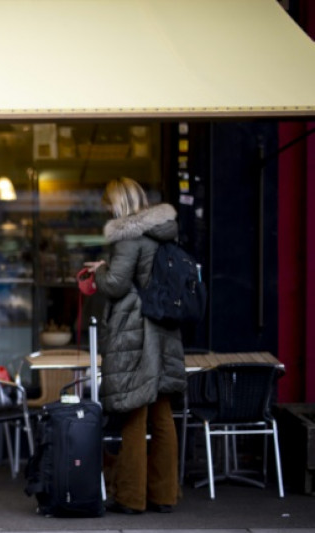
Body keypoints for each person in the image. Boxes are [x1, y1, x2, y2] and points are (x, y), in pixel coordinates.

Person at [84, 177, 184, 514]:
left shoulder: (128, 235)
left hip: (135, 332)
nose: (108, 209)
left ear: (120, 202)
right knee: (162, 415)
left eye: (110, 203)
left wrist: (99, 273)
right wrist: (109, 267)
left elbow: (115, 285)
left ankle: (130, 498)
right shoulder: (164, 231)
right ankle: (164, 495)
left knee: (133, 415)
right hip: (163, 330)